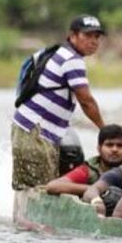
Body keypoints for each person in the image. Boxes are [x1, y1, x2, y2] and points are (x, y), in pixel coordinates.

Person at [11, 14, 106, 191]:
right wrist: (104, 130)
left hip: (27, 127)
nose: (93, 41)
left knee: (32, 187)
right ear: (72, 36)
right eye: (87, 35)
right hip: (36, 131)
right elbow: (87, 102)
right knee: (45, 189)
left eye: (97, 36)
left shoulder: (59, 51)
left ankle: (24, 217)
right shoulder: (72, 60)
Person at [45, 124, 122, 197]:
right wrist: (96, 190)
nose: (114, 149)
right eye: (109, 145)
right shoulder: (88, 170)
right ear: (99, 148)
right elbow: (53, 186)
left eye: (120, 145)